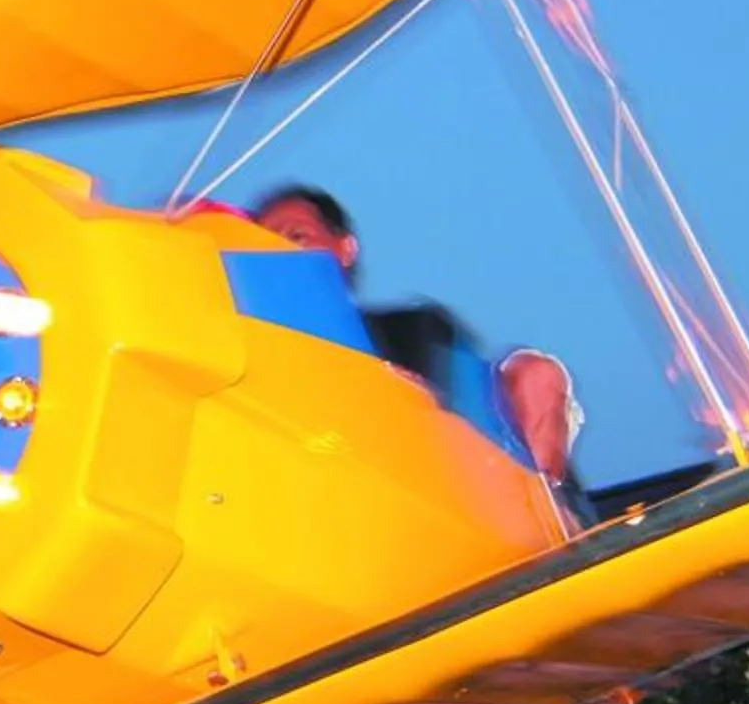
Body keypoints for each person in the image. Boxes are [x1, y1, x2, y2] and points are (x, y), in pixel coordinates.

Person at [249, 184, 590, 518]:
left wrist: (407, 396)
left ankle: (551, 521)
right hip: (328, 498)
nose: (281, 251)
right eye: (264, 244)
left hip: (462, 490)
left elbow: (472, 414)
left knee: (535, 373)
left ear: (344, 248)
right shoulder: (254, 357)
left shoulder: (411, 328)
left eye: (297, 236)